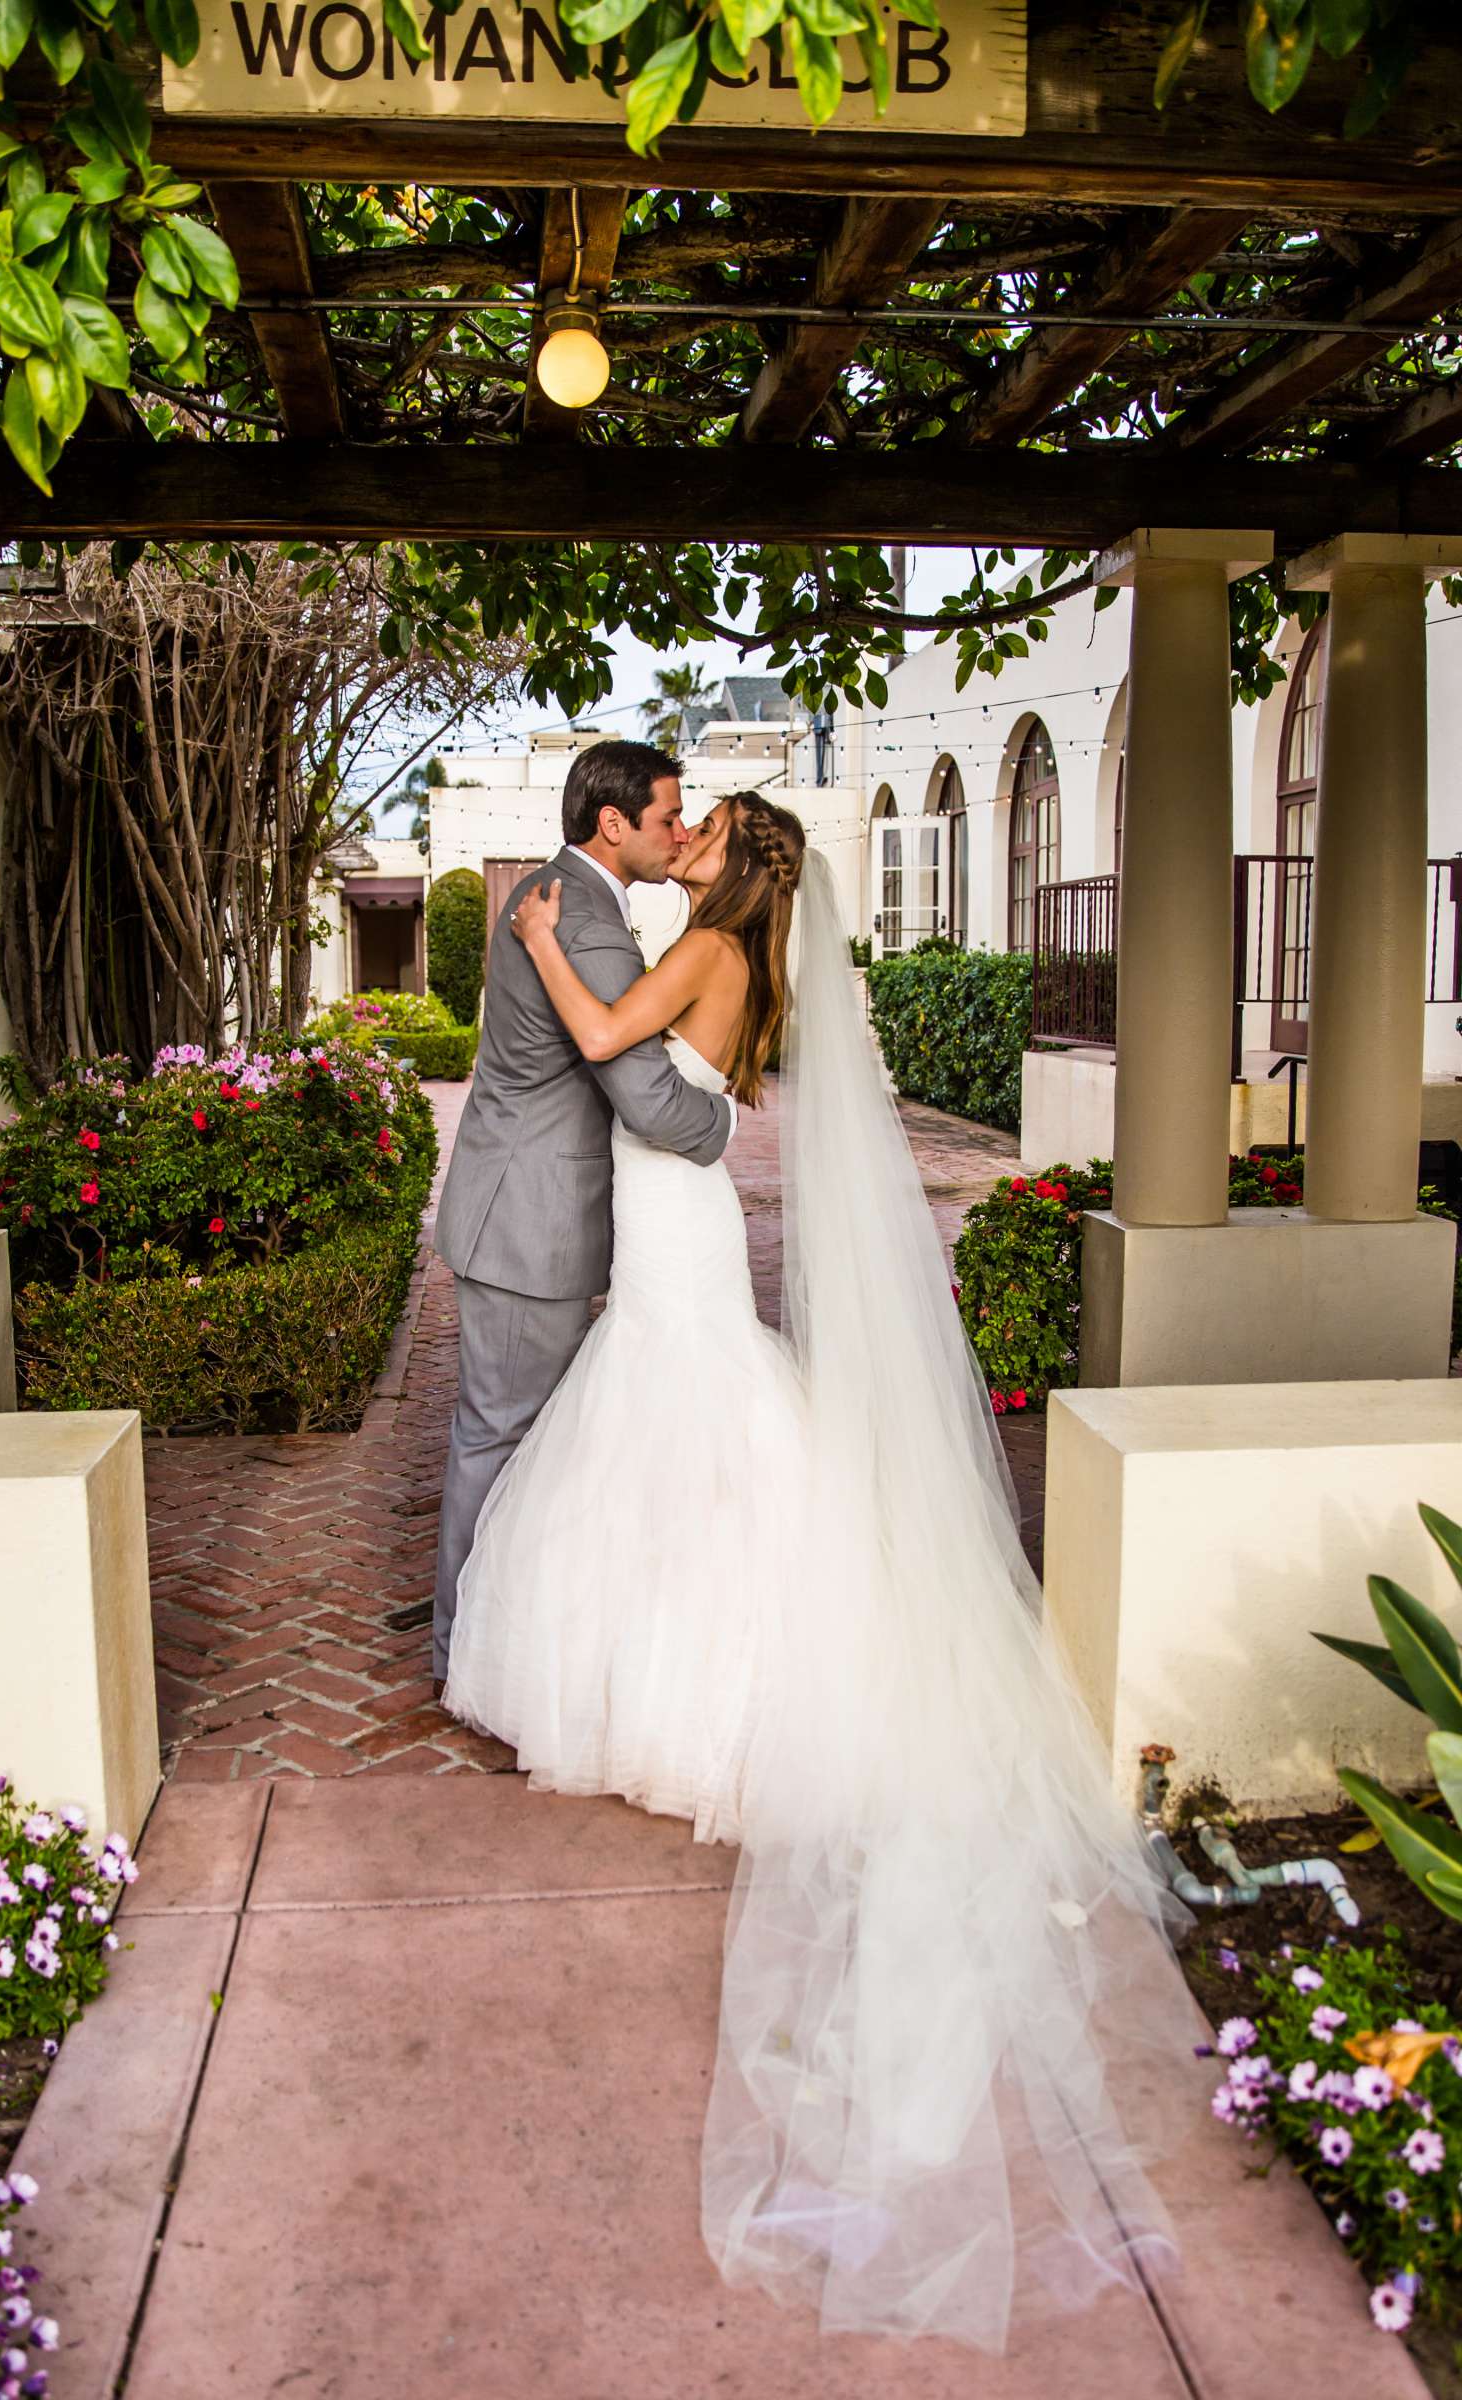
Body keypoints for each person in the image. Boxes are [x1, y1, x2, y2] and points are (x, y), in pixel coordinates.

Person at [444, 788, 1203, 2352]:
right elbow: (680, 1082)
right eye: (685, 816)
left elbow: (602, 1043)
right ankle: (684, 1655)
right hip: (678, 1216)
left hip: (677, 1223)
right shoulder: (743, 942)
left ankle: (698, 1683)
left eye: (708, 822)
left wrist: (534, 933)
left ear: (743, 857)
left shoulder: (715, 944)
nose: (690, 834)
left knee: (687, 1420)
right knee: (681, 1422)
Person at [431, 740, 736, 1697]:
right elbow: (648, 1099)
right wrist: (719, 1115)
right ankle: (469, 1660)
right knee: (503, 1438)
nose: (679, 831)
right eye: (668, 817)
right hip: (530, 1224)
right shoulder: (588, 926)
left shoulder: (566, 903)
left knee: (524, 1438)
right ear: (616, 824)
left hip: (518, 1205)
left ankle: (508, 1651)